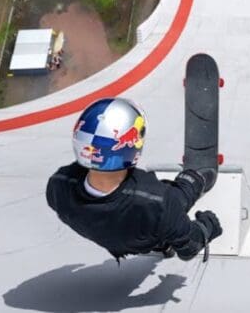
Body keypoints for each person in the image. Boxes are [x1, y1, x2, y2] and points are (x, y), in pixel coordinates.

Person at [46, 97, 223, 261]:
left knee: (159, 211)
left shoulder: (57, 184)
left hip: (113, 238)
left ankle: (163, 239)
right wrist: (207, 225)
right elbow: (189, 248)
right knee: (173, 198)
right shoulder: (157, 200)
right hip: (145, 238)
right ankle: (194, 180)